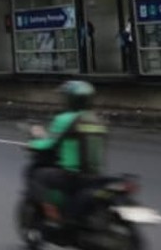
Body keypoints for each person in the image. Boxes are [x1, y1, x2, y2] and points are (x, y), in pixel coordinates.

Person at [26, 80, 108, 226]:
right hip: (94, 175)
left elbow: (49, 144)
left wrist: (32, 144)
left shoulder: (65, 119)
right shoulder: (98, 119)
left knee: (37, 176)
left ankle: (52, 215)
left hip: (72, 175)